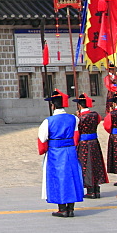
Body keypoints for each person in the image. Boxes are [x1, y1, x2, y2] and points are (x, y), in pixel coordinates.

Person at [37, 90, 83, 218]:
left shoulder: (48, 121)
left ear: (53, 105)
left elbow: (42, 139)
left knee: (58, 178)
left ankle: (62, 208)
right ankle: (71, 208)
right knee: (72, 177)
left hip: (55, 152)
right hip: (70, 151)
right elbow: (76, 135)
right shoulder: (74, 118)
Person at [74, 94, 107, 198]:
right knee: (95, 164)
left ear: (79, 105)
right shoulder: (96, 115)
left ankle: (90, 190)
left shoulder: (79, 118)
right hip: (94, 142)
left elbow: (77, 132)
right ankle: (97, 188)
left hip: (84, 143)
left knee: (86, 165)